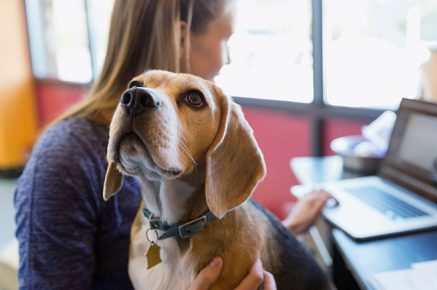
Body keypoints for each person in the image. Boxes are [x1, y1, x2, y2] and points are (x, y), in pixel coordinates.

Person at [14, 0, 334, 289]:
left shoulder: (188, 168)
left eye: (192, 99)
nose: (228, 58)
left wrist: (280, 239)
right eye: (226, 39)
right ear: (180, 38)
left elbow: (226, 239)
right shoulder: (61, 163)